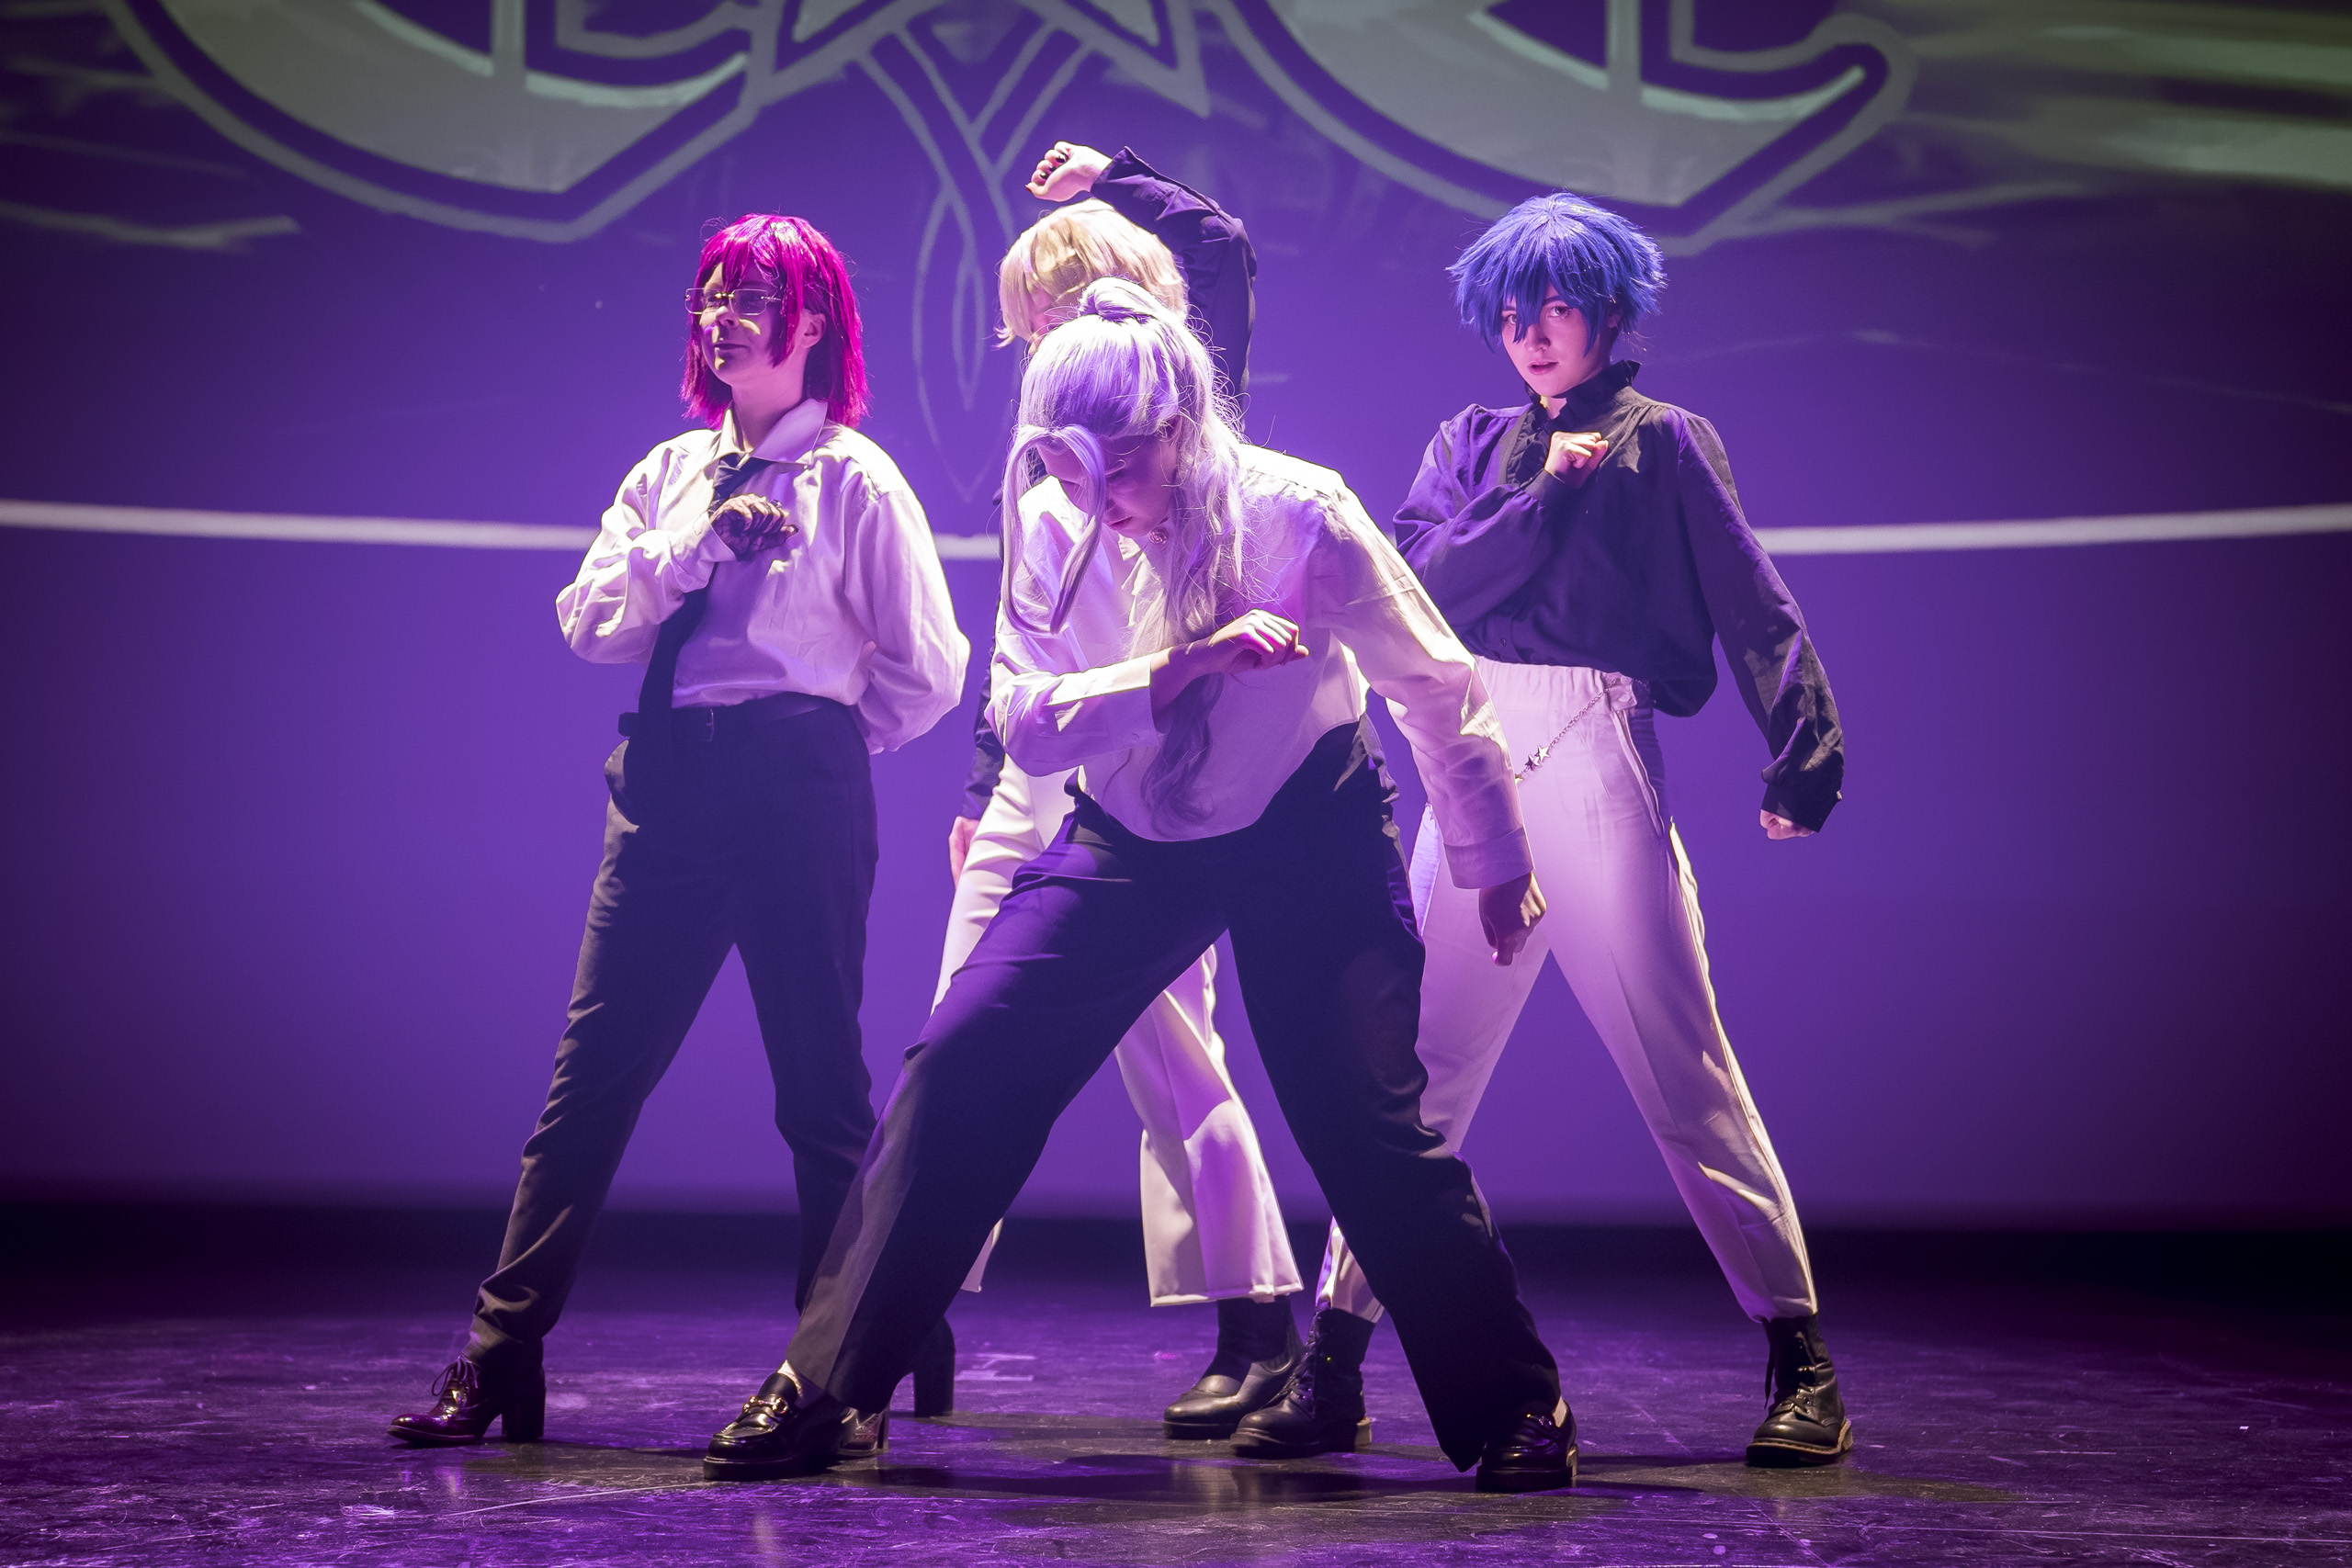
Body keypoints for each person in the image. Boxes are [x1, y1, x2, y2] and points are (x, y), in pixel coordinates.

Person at [697, 280, 1576, 1493]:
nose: (1094, 497)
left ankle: (1519, 1403)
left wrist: (1497, 858)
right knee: (960, 1062)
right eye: (1068, 468)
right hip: (1132, 828)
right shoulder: (1053, 516)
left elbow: (1435, 683)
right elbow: (1025, 717)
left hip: (1303, 822)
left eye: (1118, 467)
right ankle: (825, 1385)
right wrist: (1180, 668)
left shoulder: (1299, 513)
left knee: (1361, 1124)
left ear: (1181, 429)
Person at [1238, 193, 1852, 1469]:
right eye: (1513, 312)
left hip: (1595, 749)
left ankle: (1803, 1362)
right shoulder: (1469, 443)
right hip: (1471, 756)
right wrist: (1543, 498)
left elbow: (1751, 599)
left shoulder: (1664, 442)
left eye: (1557, 307)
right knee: (1414, 1078)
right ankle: (1336, 1362)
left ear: (1610, 314)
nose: (1531, 333)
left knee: (1682, 1066)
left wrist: (1806, 746)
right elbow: (1422, 586)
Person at [388, 214, 968, 1449]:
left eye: (751, 295)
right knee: (590, 1082)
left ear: (813, 322)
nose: (722, 315)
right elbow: (590, 623)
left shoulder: (856, 482)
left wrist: (813, 744)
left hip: (797, 788)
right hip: (666, 788)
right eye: (711, 293)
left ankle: (842, 1368)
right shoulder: (668, 477)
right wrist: (702, 539)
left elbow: (929, 672)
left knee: (820, 1093)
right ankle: (499, 1355)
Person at [940, 141, 1306, 1439]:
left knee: (1174, 1064)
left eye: (1056, 313)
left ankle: (1259, 1323)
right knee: (953, 1041)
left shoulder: (1184, 432)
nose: (1041, 346)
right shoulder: (1036, 469)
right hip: (1036, 773)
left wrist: (1119, 175)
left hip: (1147, 789)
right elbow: (1019, 639)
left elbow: (1225, 255)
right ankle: (893, 1307)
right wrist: (983, 784)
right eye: (1029, 327)